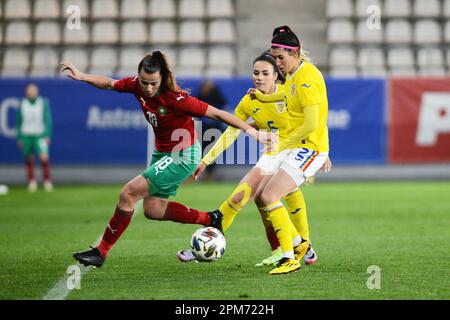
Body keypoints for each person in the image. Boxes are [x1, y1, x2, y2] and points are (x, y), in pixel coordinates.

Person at [60, 51, 274, 268]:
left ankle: (101, 251)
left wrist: (252, 131)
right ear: (139, 77)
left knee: (128, 193)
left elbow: (218, 114)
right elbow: (109, 83)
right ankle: (211, 219)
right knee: (153, 210)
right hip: (162, 154)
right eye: (145, 83)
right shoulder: (136, 85)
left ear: (162, 79)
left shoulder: (176, 98)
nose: (149, 88)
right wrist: (83, 76)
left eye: (154, 83)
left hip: (182, 155)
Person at [176, 52, 330, 267]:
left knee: (269, 195)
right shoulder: (249, 102)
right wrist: (206, 159)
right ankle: (297, 245)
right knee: (249, 196)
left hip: (298, 151)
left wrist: (320, 152)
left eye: (265, 73)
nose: (259, 77)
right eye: (256, 73)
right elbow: (231, 132)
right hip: (274, 153)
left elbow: (315, 117)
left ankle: (299, 244)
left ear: (276, 75)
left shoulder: (289, 93)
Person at [248, 25, 330, 274]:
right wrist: (263, 98)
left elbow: (310, 124)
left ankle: (290, 257)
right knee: (261, 195)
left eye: (281, 58)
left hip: (309, 148)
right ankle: (300, 245)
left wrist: (281, 144)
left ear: (296, 53)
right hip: (298, 146)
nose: (278, 63)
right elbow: (287, 98)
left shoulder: (307, 79)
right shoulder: (294, 74)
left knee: (269, 196)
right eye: (275, 58)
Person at [16, 83, 54, 192]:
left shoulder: (42, 103)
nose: (31, 92)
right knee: (29, 158)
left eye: (33, 90)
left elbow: (47, 119)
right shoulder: (22, 104)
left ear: (37, 91)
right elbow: (19, 121)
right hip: (26, 135)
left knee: (44, 157)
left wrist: (47, 134)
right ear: (26, 92)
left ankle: (47, 181)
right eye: (29, 90)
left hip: (40, 134)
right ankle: (32, 181)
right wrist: (19, 137)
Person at [195, 80, 227, 181]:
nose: (206, 88)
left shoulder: (218, 99)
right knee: (198, 152)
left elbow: (222, 110)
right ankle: (194, 175)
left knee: (212, 153)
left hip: (215, 129)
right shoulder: (200, 98)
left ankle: (210, 176)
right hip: (203, 129)